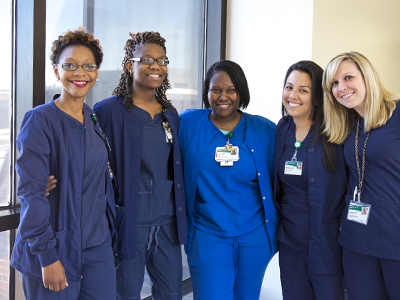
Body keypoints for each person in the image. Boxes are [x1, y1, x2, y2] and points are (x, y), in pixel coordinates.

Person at [10, 28, 116, 299]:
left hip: (97, 247)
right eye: (70, 65)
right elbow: (31, 193)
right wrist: (47, 257)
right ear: (56, 71)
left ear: (96, 72)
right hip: (56, 248)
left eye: (88, 66)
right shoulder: (40, 120)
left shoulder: (92, 119)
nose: (79, 73)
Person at [93, 31, 186, 300]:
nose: (155, 66)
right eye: (146, 59)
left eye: (162, 60)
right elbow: (88, 154)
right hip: (131, 221)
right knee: (126, 294)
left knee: (171, 294)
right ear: (129, 65)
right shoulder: (109, 111)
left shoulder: (170, 114)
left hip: (167, 221)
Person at [178, 60, 277, 299]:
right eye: (216, 90)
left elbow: (279, 181)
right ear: (207, 92)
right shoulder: (189, 124)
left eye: (231, 90)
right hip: (207, 233)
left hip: (255, 234)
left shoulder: (264, 129)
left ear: (241, 91)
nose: (223, 96)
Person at [323, 52, 400, 300]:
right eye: (334, 83)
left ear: (367, 77)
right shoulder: (350, 124)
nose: (341, 88)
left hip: (395, 240)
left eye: (348, 77)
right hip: (357, 239)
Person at [274, 61, 348, 300]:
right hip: (290, 242)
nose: (292, 95)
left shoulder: (337, 132)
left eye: (303, 90)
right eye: (289, 87)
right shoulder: (281, 129)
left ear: (317, 97)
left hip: (329, 245)